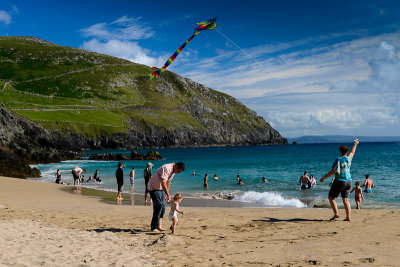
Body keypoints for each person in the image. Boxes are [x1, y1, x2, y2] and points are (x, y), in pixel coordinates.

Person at [320, 139, 359, 221]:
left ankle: (336, 214)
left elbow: (333, 171)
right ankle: (348, 217)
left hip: (340, 181)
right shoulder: (349, 158)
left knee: (331, 197)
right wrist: (355, 144)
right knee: (345, 199)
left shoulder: (339, 159)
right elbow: (353, 152)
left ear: (340, 151)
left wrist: (323, 178)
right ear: (347, 151)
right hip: (349, 181)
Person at [147, 162, 185, 232]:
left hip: (161, 188)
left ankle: (159, 226)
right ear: (176, 166)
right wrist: (167, 194)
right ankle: (154, 227)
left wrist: (167, 193)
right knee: (158, 206)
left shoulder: (173, 171)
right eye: (178, 171)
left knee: (163, 207)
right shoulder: (167, 168)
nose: (178, 173)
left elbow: (168, 182)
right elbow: (163, 182)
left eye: (180, 172)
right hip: (153, 188)